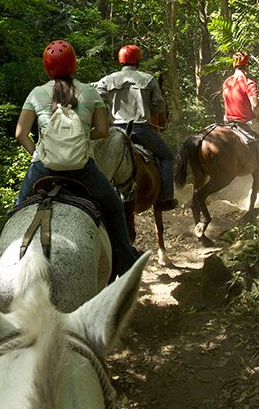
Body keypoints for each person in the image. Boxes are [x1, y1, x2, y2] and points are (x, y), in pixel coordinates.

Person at [14, 40, 139, 276]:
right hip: (82, 171)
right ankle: (125, 261)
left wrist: (38, 153)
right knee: (114, 206)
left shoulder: (36, 93)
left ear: (46, 67)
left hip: (42, 169)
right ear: (74, 65)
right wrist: (82, 135)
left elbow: (20, 133)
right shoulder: (90, 92)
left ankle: (7, 256)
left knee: (18, 212)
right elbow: (103, 131)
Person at [95, 44, 178, 211]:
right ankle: (166, 198)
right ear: (138, 60)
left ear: (120, 60)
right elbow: (160, 107)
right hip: (141, 131)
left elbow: (95, 98)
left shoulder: (108, 80)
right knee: (168, 157)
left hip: (115, 131)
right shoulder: (148, 79)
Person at [222, 51, 259, 180]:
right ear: (247, 66)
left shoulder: (226, 83)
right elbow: (255, 106)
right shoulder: (249, 83)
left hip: (229, 122)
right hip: (247, 122)